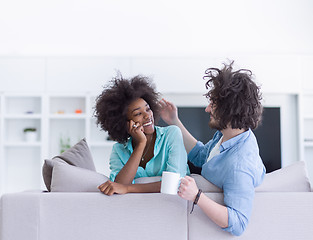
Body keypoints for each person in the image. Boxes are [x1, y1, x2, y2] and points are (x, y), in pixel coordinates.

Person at [159, 62, 266, 236]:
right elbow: (201, 156)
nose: (207, 108)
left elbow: (238, 224)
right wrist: (174, 121)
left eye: (213, 104)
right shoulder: (231, 134)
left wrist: (197, 196)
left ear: (230, 111)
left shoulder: (239, 165)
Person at [95, 74, 189, 196]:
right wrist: (141, 144)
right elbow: (119, 186)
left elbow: (174, 183)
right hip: (137, 210)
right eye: (138, 113)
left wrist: (129, 188)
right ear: (125, 122)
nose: (147, 115)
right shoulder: (118, 150)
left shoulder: (171, 134)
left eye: (148, 109)